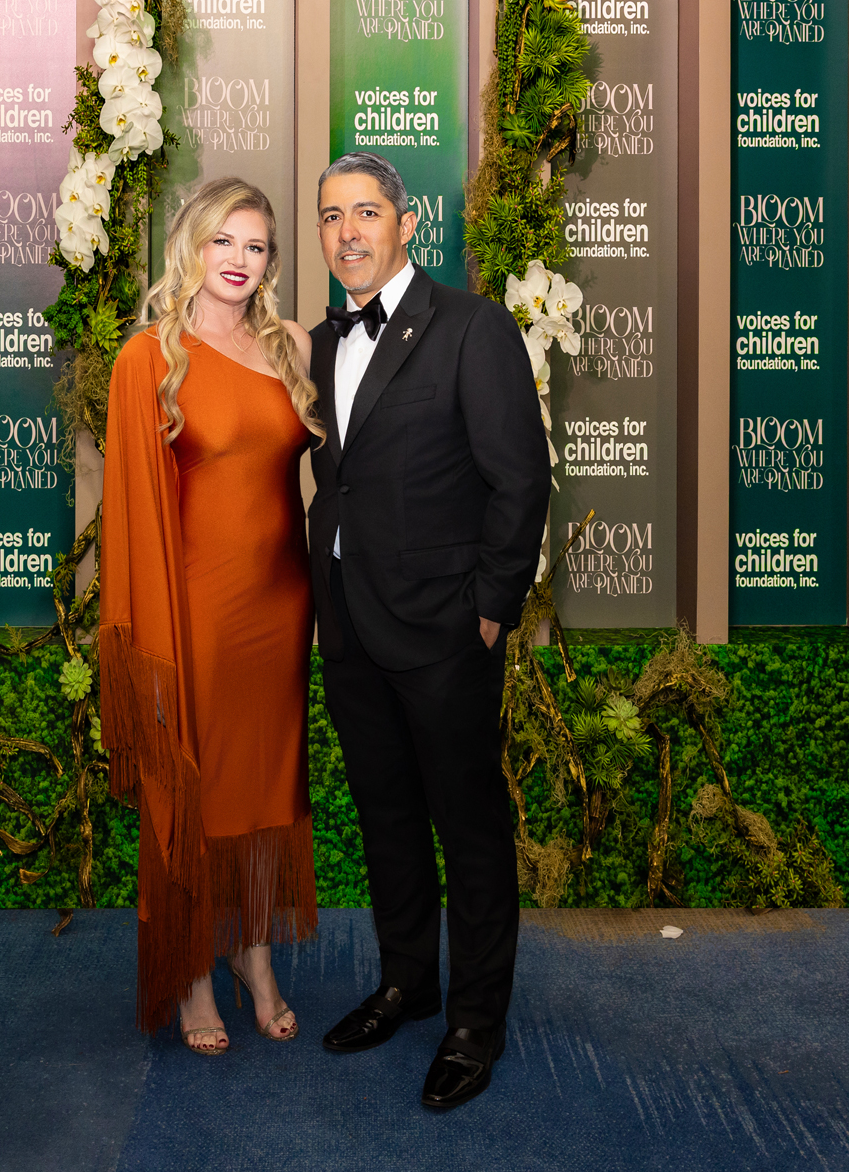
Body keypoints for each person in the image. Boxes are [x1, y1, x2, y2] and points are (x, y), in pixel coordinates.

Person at [307, 152, 550, 1108]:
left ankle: (476, 1022)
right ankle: (408, 985)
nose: (349, 233)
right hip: (350, 626)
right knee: (388, 818)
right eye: (332, 216)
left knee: (470, 829)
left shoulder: (471, 327)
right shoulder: (320, 342)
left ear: (408, 225)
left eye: (367, 213)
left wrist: (488, 612)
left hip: (446, 632)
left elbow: (519, 479)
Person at [98, 177, 321, 1053]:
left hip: (282, 607)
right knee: (196, 785)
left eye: (256, 246)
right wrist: (155, 637)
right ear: (191, 244)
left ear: (271, 261)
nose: (239, 259)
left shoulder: (291, 345)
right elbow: (133, 507)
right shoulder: (148, 358)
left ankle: (253, 956)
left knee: (267, 783)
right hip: (195, 611)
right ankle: (194, 968)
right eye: (223, 240)